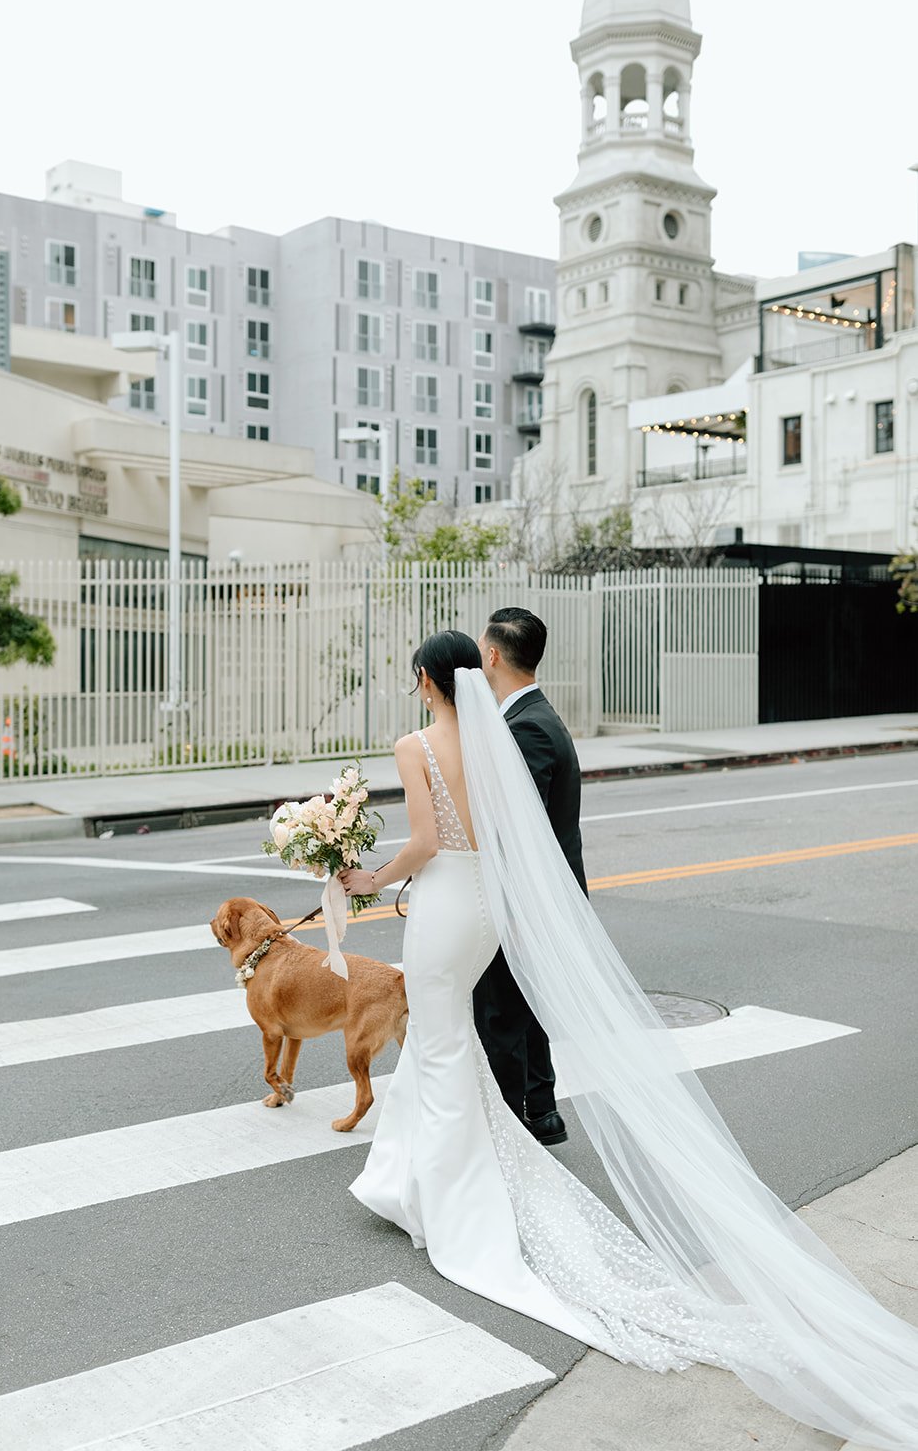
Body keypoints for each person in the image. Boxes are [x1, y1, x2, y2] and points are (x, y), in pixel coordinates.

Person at [339, 631, 918, 1450]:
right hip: (486, 907)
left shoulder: (416, 742)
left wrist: (367, 878)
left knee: (437, 1042)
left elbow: (428, 841)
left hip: (441, 899)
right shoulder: (494, 738)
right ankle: (415, 1177)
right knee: (450, 1040)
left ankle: (438, 1197)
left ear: (426, 680)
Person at [474, 607, 584, 1144]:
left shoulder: (527, 729)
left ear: (492, 655)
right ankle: (541, 1109)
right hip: (546, 894)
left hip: (529, 896)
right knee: (529, 1003)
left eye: (480, 648)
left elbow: (520, 834)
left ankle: (512, 1121)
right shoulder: (535, 717)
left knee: (500, 1011)